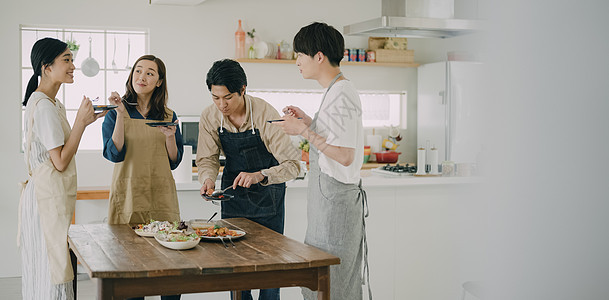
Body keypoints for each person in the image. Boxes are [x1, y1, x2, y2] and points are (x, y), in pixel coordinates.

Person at [273, 22, 370, 300]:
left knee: (334, 285)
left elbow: (344, 154)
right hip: (327, 208)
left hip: (336, 209)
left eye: (300, 55)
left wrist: (302, 131)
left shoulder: (343, 93)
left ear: (318, 56)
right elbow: (334, 137)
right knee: (320, 282)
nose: (297, 62)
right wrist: (309, 121)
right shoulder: (334, 91)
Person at [196, 59, 300, 300]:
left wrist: (260, 175)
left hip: (268, 199)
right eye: (215, 97)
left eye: (228, 97)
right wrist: (208, 179)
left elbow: (294, 165)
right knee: (237, 273)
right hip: (233, 199)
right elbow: (207, 159)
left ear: (243, 89)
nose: (221, 104)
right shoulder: (210, 116)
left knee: (270, 273)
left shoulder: (265, 114)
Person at [19, 37, 106, 300]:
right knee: (53, 273)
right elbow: (60, 161)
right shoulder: (44, 106)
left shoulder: (50, 102)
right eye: (66, 60)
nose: (72, 66)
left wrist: (83, 121)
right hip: (45, 201)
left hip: (47, 198)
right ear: (46, 67)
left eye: (72, 59)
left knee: (50, 269)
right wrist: (81, 122)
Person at [102, 55, 183, 300]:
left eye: (150, 73)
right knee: (131, 269)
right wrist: (121, 115)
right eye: (138, 71)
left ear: (159, 81)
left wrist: (170, 137)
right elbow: (114, 153)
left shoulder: (168, 114)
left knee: (170, 267)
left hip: (161, 194)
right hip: (128, 194)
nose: (142, 77)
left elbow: (173, 160)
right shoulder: (115, 112)